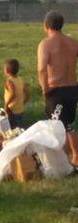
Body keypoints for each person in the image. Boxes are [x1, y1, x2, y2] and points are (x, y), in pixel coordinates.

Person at [38, 10, 78, 165]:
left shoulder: (45, 44)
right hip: (73, 88)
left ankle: (61, 160)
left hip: (56, 90)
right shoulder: (73, 42)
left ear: (46, 26)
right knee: (69, 124)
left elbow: (41, 69)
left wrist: (45, 88)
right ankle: (72, 156)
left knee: (57, 126)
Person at [4, 58, 29, 129]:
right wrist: (24, 101)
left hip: (12, 110)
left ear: (7, 70)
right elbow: (27, 91)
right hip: (20, 109)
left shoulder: (9, 81)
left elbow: (12, 94)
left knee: (12, 130)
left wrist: (6, 105)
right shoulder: (20, 79)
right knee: (19, 128)